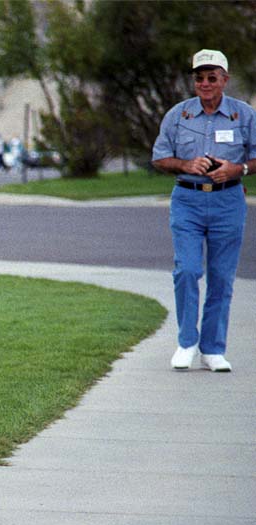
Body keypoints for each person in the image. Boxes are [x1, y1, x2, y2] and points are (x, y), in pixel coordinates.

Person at [152, 49, 255, 372]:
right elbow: (159, 157)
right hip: (188, 199)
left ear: (225, 79)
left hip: (228, 201)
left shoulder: (244, 115)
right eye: (200, 78)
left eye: (212, 77)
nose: (206, 84)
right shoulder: (178, 115)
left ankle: (213, 349)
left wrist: (237, 169)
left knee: (222, 278)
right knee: (187, 270)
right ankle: (186, 342)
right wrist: (185, 164)